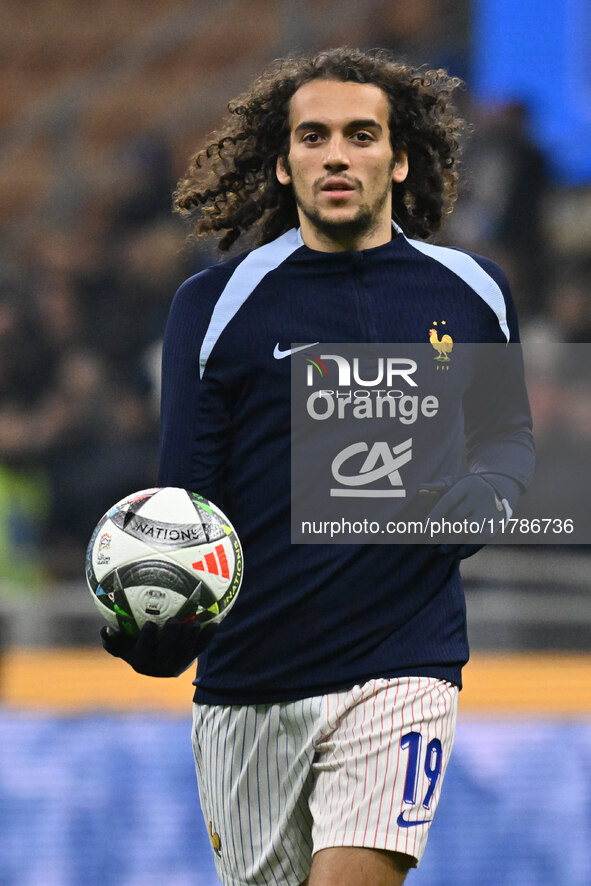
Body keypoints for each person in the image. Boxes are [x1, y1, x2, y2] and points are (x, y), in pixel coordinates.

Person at [101, 48, 534, 885]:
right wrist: (154, 624)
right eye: (314, 136)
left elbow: (506, 449)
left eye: (360, 135)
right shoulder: (214, 305)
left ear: (398, 158)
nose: (337, 154)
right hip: (251, 682)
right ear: (283, 159)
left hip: (404, 663)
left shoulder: (473, 291)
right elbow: (188, 504)